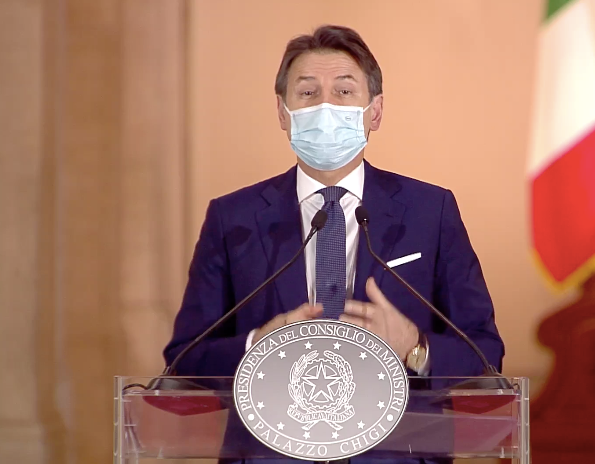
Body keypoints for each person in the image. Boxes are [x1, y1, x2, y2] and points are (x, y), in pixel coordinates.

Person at [162, 24, 504, 464]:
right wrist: (255, 346)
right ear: (283, 112)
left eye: (344, 92)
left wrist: (415, 347)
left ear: (375, 111)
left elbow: (485, 353)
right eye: (307, 93)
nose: (325, 106)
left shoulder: (430, 212)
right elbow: (184, 360)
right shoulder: (233, 218)